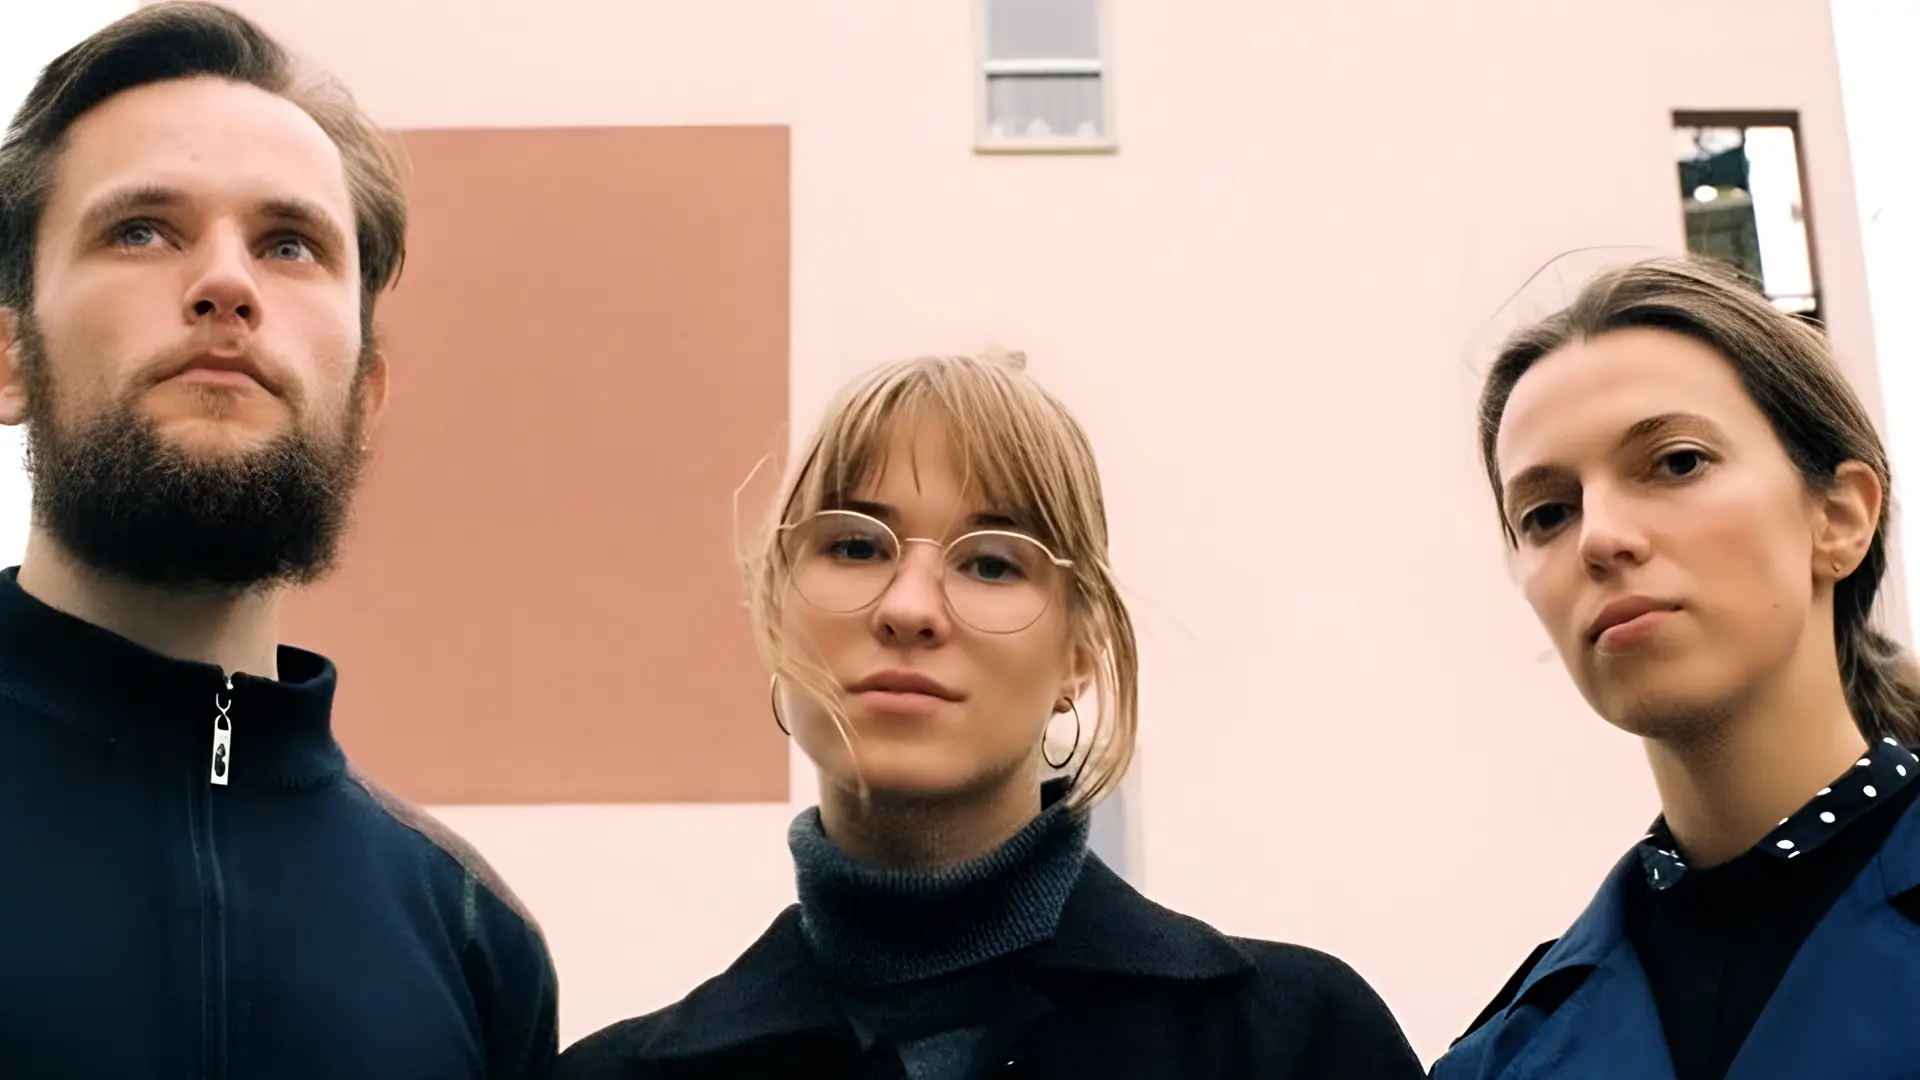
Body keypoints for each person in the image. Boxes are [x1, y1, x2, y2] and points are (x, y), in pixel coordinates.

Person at [553, 352, 1424, 1079]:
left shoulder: (1293, 1046)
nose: (909, 608)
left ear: (1080, 653)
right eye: (855, 545)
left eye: (993, 563)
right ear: (775, 611)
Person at [0, 3, 557, 1075]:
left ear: (364, 393)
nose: (227, 283)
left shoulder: (469, 937)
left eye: (289, 244)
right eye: (141, 230)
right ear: (11, 358)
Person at [1434, 256, 1920, 1080]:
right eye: (1547, 513)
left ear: (1840, 517)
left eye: (1678, 462)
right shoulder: (1497, 1062)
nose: (1599, 537)